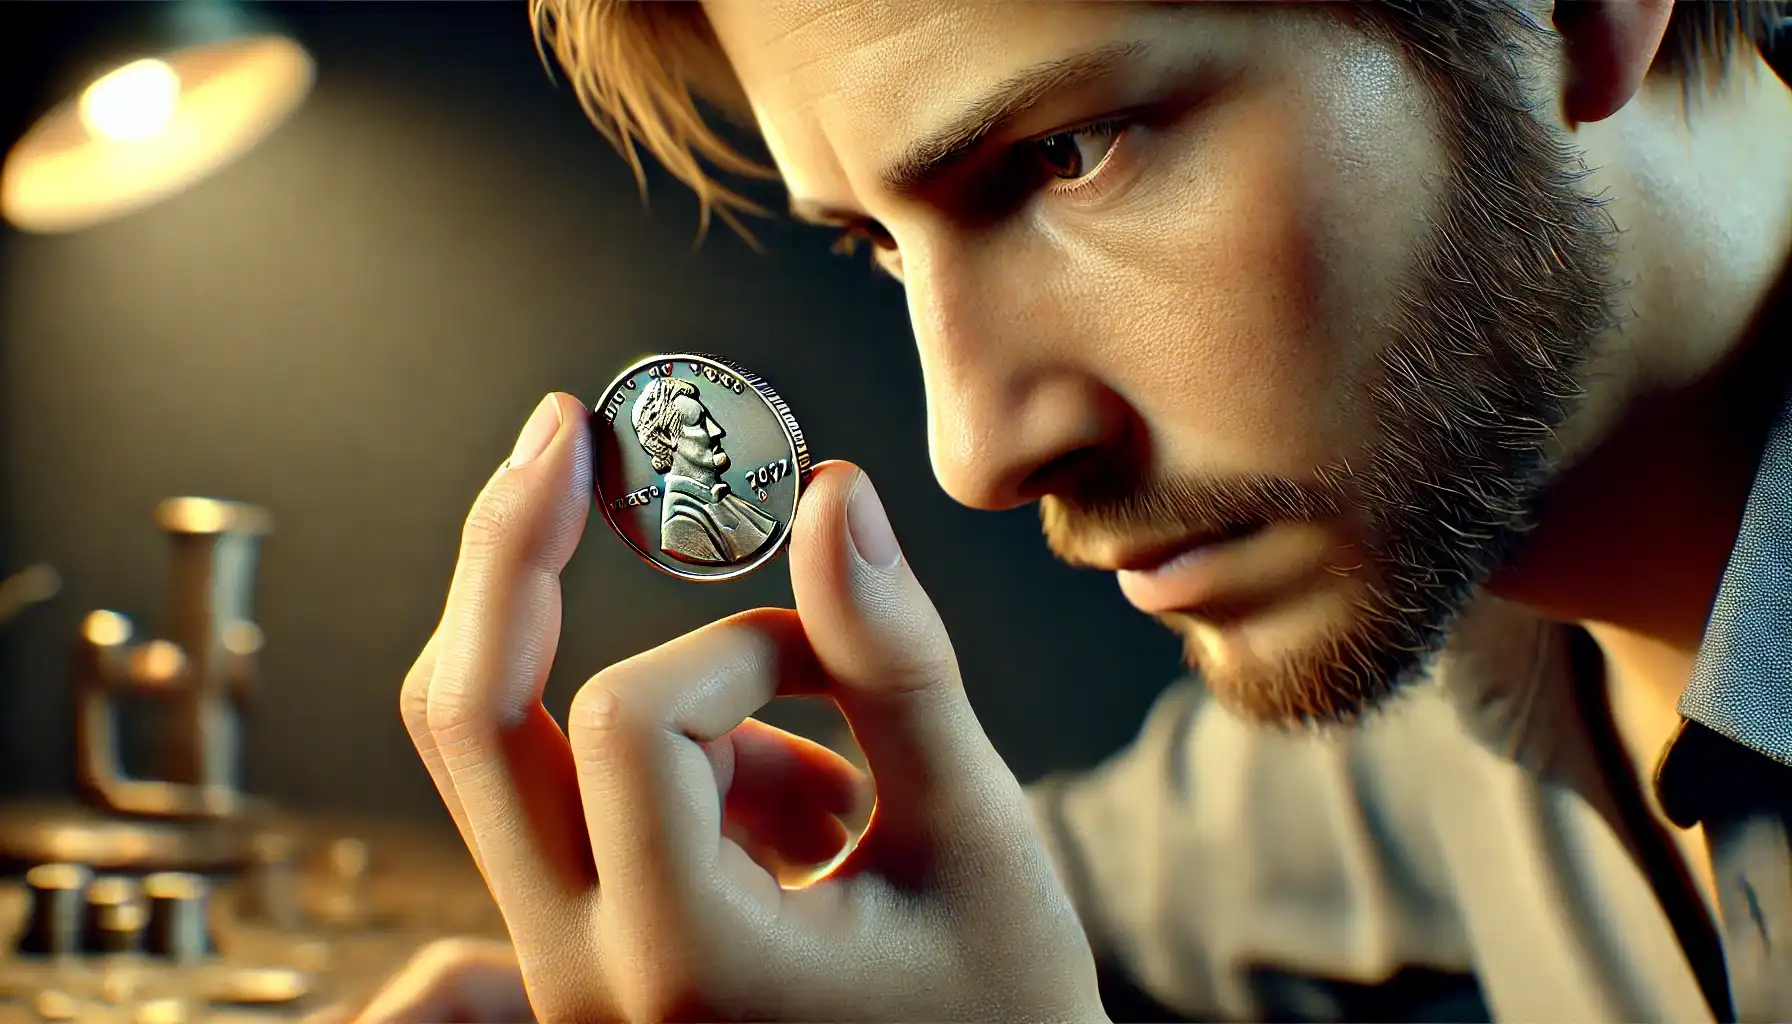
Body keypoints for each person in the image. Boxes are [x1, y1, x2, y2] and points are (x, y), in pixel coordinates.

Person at [367, 1, 1792, 1020]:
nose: (974, 451)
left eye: (1072, 151)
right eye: (875, 241)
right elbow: (1079, 904)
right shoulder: (1442, 636)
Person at [631, 375, 781, 565]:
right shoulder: (680, 525)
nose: (717, 431)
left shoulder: (725, 500)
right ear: (666, 437)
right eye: (699, 422)